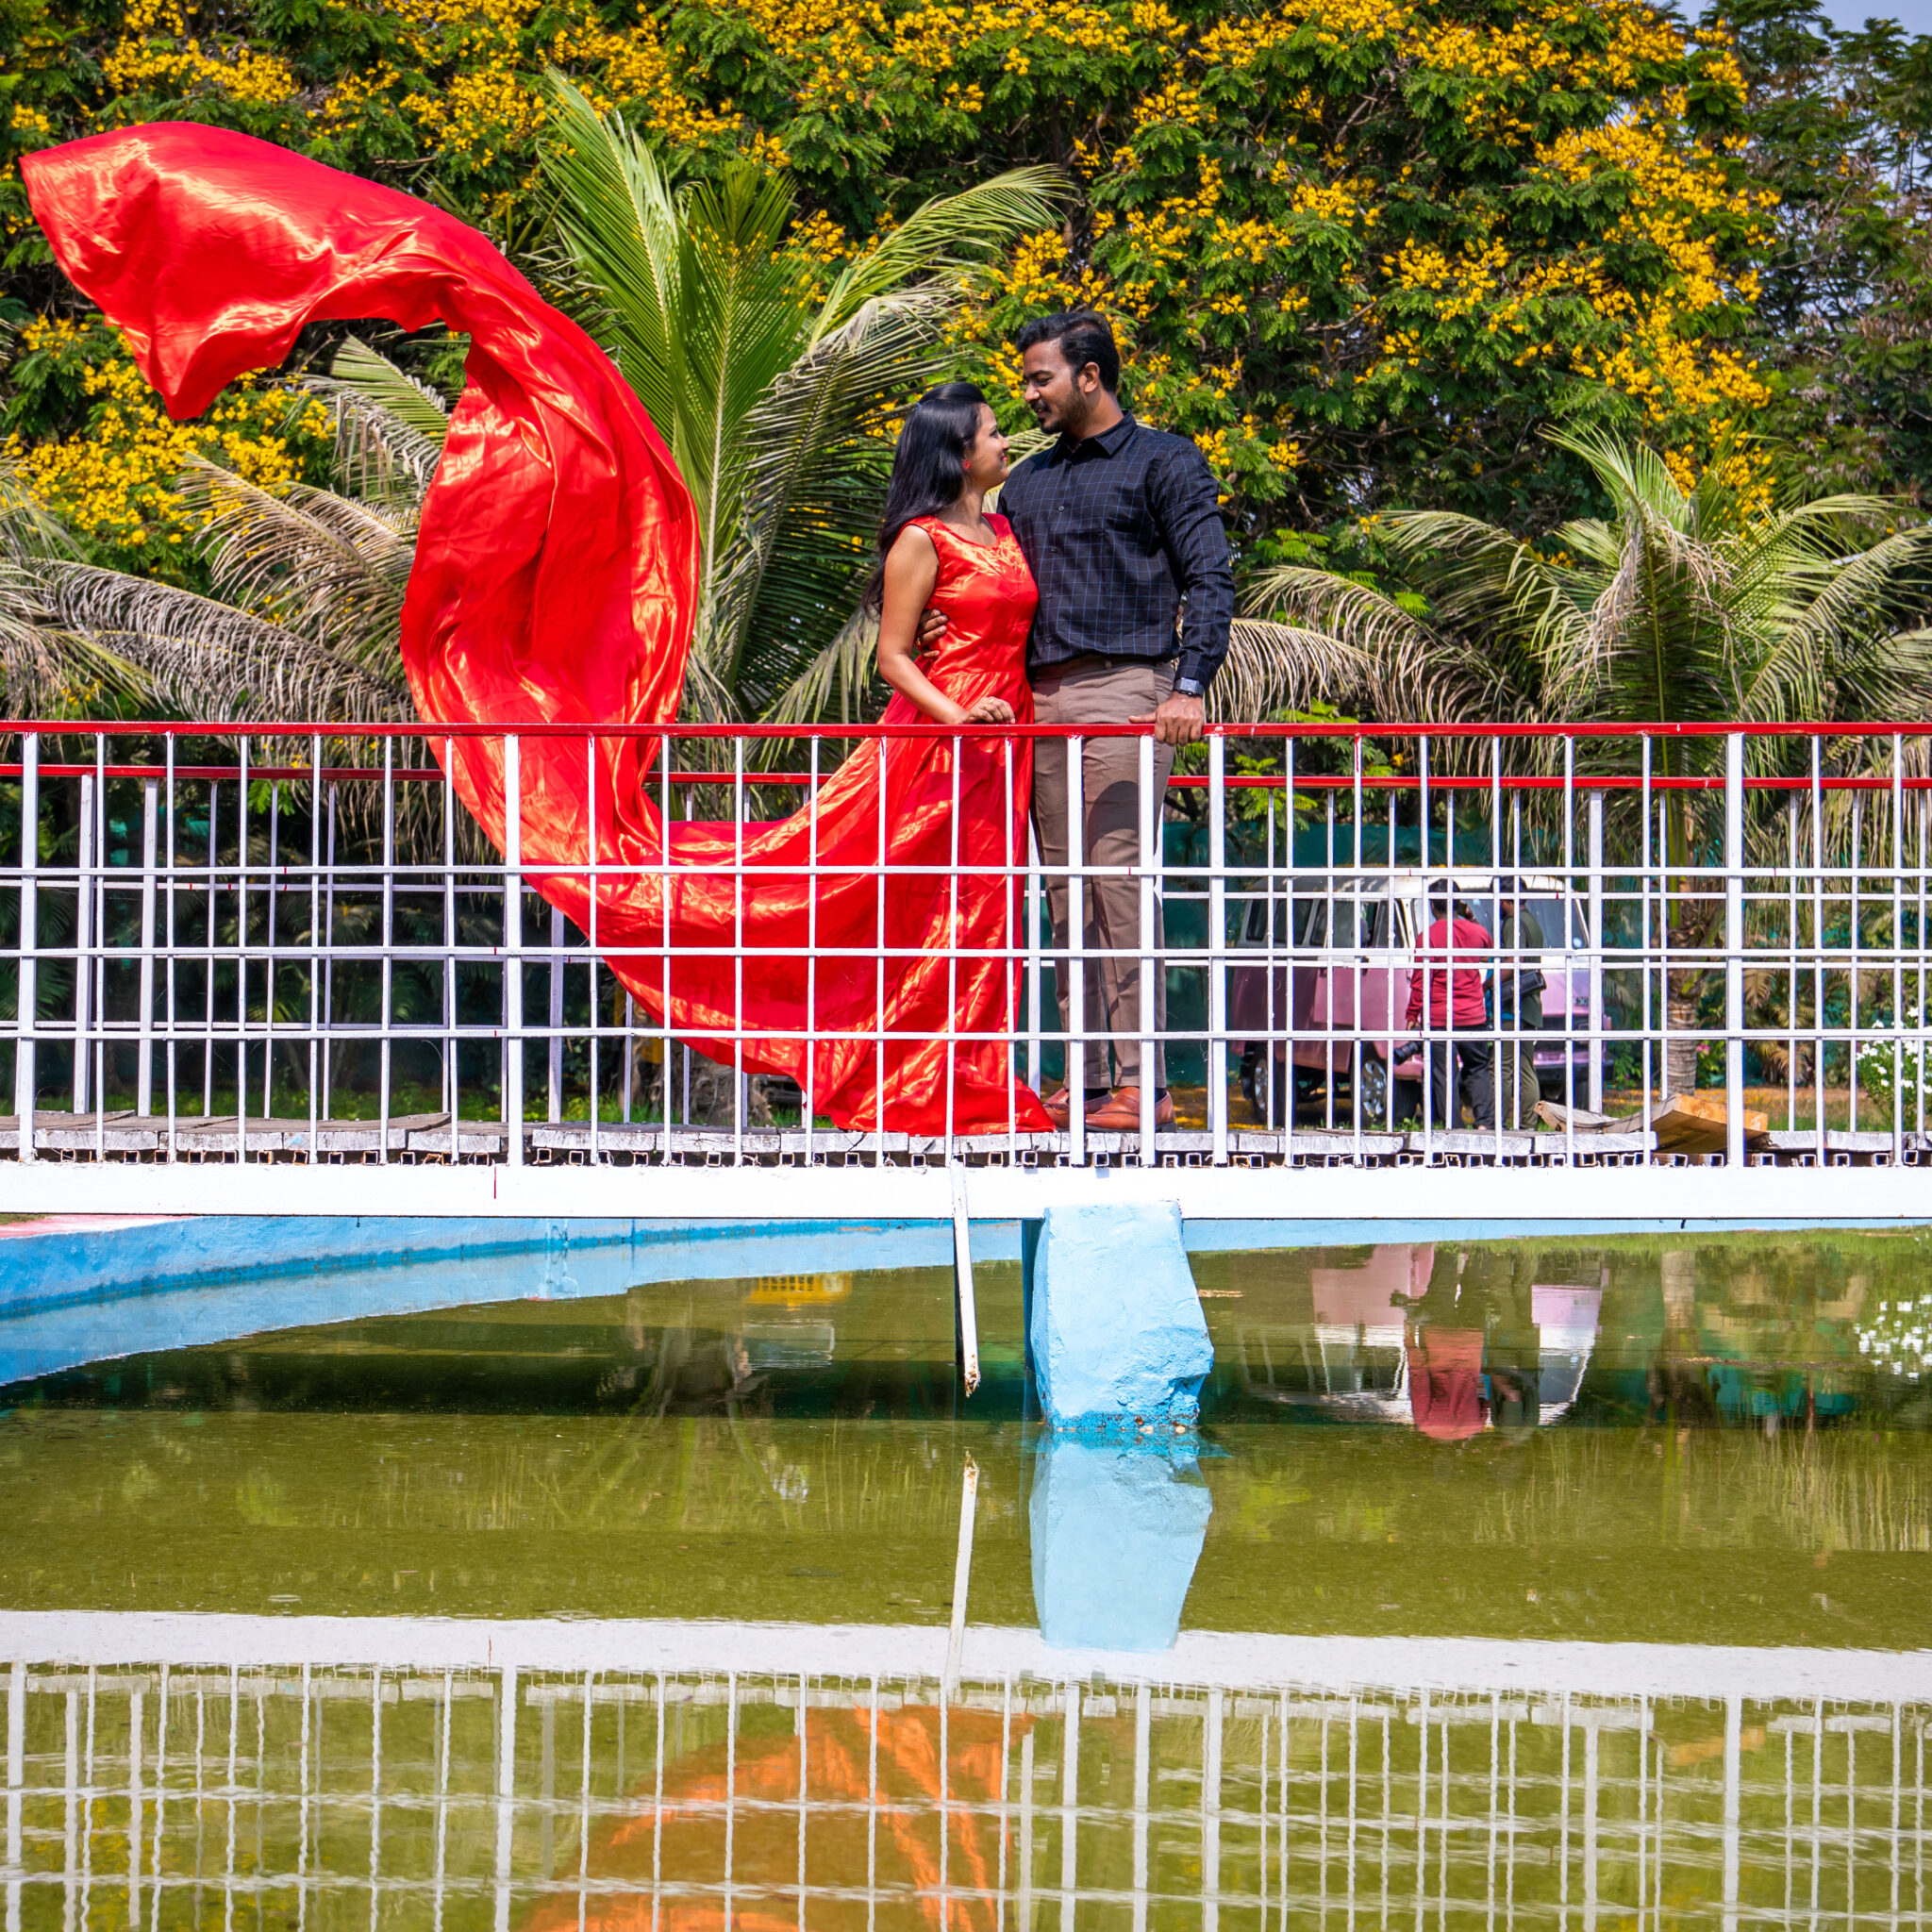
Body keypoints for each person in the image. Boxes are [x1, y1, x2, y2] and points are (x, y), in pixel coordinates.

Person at [920, 311, 1235, 1132]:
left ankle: (1147, 1085)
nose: (1029, 396)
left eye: (1040, 380)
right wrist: (934, 627)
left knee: (1118, 883)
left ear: (1089, 377)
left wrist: (1189, 687)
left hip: (1131, 691)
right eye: (1025, 383)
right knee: (1065, 896)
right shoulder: (1025, 484)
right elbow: (985, 578)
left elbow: (1211, 578)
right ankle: (1088, 1082)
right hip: (1038, 701)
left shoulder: (1165, 460)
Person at [1406, 884, 1495, 1130]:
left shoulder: (1429, 936)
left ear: (1432, 905)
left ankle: (1453, 1127)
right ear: (1458, 903)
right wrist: (1470, 918)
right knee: (1478, 1067)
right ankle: (1484, 1123)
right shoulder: (1477, 933)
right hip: (1473, 1013)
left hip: (1440, 1016)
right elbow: (1489, 955)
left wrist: (1413, 1013)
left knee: (1444, 1073)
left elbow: (1420, 981)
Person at [1491, 875, 1545, 1129]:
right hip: (1530, 1005)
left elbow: (1512, 963)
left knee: (1502, 1068)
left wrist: (1487, 984)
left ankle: (1497, 1124)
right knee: (1526, 1068)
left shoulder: (1513, 923)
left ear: (1506, 898)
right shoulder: (1531, 921)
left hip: (1515, 1007)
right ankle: (1528, 1125)